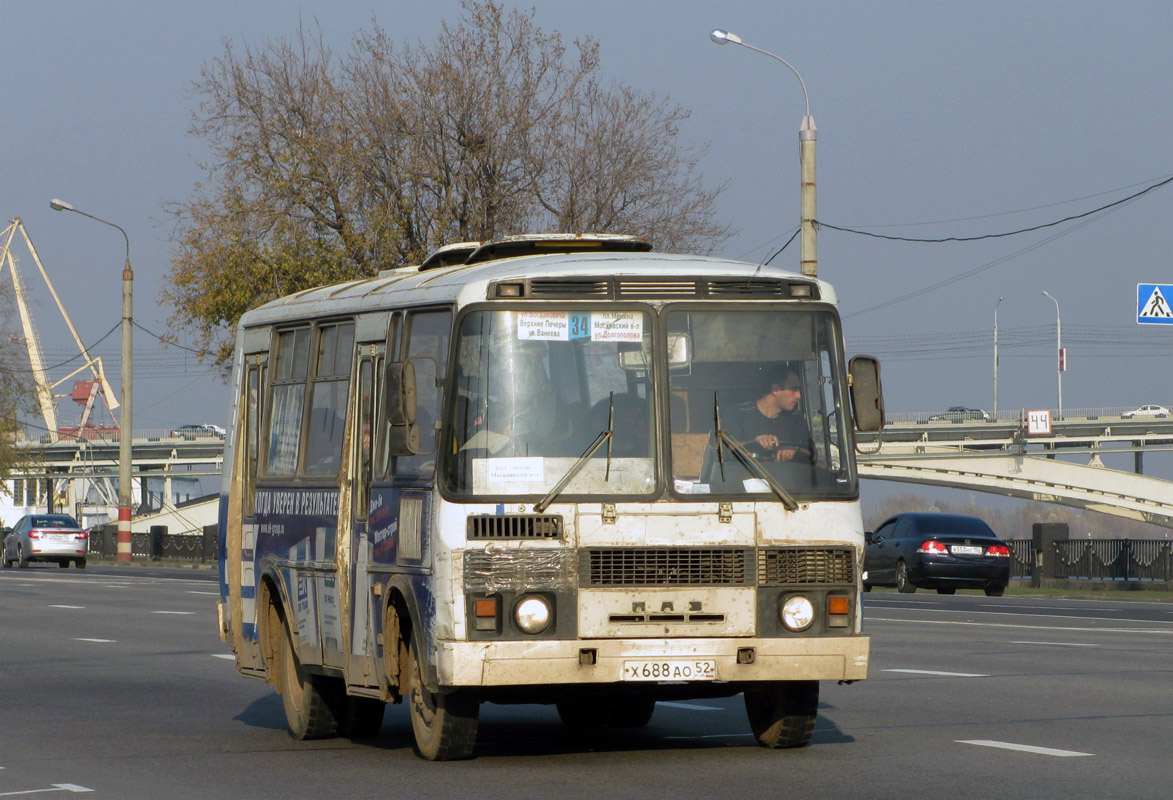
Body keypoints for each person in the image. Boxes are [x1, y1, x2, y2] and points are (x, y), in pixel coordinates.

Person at [725, 364, 815, 464]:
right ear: (775, 389)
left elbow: (810, 454)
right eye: (794, 389)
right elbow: (724, 449)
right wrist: (755, 443)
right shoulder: (737, 413)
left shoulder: (796, 419)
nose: (799, 396)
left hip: (786, 477)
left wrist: (794, 451)